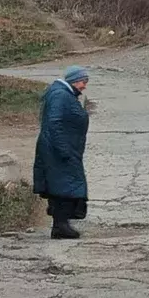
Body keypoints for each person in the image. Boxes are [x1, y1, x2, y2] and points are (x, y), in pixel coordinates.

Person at [33, 66, 90, 240]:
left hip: (60, 149)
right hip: (58, 151)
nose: (84, 86)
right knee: (64, 186)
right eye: (83, 82)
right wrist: (64, 149)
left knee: (62, 185)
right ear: (73, 80)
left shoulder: (63, 94)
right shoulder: (60, 95)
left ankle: (61, 225)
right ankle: (61, 225)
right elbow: (54, 123)